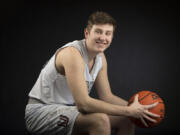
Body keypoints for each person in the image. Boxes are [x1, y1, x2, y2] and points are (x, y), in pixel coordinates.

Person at [25, 11, 160, 135]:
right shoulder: (72, 54)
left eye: (108, 33)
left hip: (69, 111)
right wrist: (129, 110)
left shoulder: (100, 58)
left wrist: (139, 109)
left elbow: (107, 96)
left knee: (126, 119)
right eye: (98, 32)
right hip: (40, 112)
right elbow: (83, 104)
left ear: (112, 37)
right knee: (100, 120)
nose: (103, 37)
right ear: (87, 33)